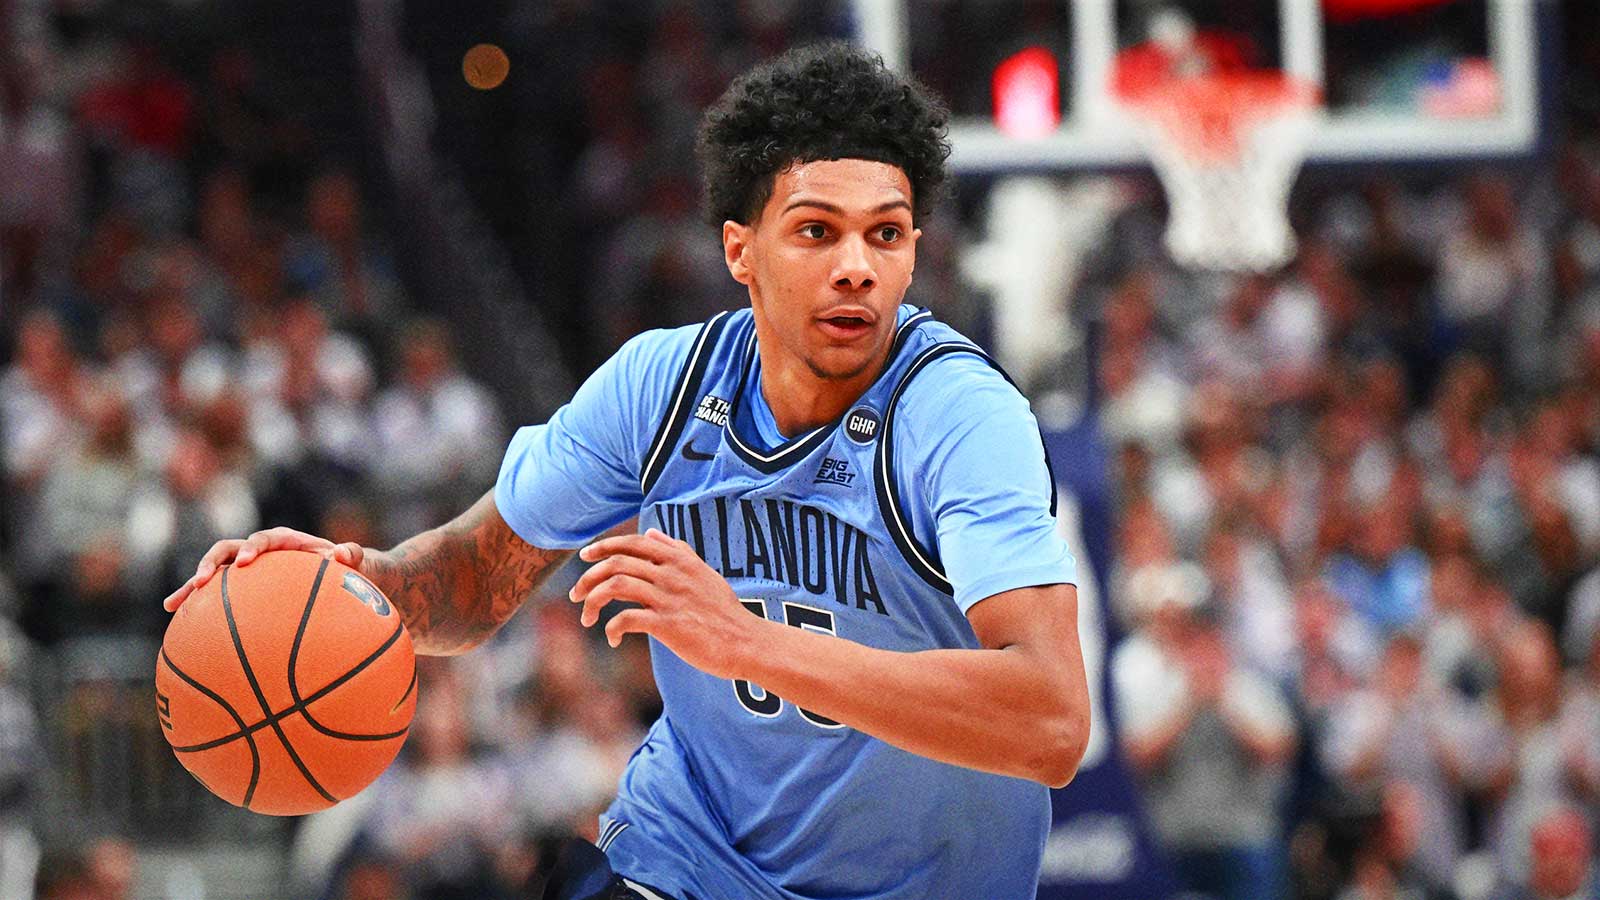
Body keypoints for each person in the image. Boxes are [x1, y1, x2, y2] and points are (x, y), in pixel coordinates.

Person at [162, 42, 1090, 900]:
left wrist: (751, 646)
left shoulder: (959, 417)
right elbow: (478, 582)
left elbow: (1050, 721)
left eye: (886, 235)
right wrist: (360, 587)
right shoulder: (661, 390)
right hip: (684, 863)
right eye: (816, 232)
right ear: (740, 250)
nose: (856, 268)